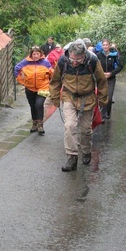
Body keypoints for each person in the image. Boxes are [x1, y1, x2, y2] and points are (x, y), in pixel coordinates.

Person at [49, 39, 108, 171]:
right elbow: (55, 81)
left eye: (78, 60)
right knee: (70, 125)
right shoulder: (63, 61)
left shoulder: (93, 62)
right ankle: (72, 157)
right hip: (69, 96)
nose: (74, 62)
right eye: (72, 59)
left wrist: (103, 99)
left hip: (87, 98)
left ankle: (86, 151)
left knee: (86, 129)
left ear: (84, 55)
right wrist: (55, 98)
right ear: (69, 54)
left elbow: (102, 81)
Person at [14, 46, 53, 135]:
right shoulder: (25, 62)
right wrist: (21, 80)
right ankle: (34, 123)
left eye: (37, 54)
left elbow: (52, 73)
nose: (36, 56)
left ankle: (40, 125)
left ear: (41, 54)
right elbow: (16, 69)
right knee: (33, 106)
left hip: (43, 87)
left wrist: (50, 83)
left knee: (39, 104)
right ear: (31, 55)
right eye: (34, 54)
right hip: (29, 88)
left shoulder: (45, 63)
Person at [96, 39, 123, 120]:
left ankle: (108, 112)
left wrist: (111, 73)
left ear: (109, 45)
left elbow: (120, 66)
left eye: (106, 45)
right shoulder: (99, 55)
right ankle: (102, 115)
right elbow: (96, 66)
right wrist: (102, 73)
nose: (105, 46)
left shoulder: (114, 55)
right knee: (102, 96)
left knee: (109, 97)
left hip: (111, 78)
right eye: (103, 45)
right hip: (101, 78)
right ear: (102, 46)